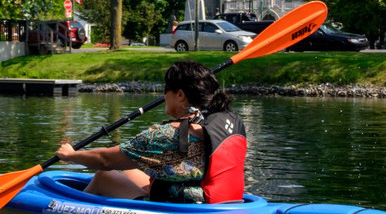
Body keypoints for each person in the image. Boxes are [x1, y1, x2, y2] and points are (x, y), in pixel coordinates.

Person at [55, 60, 246, 203]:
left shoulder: (166, 136)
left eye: (166, 90)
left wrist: (71, 155)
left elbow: (106, 160)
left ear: (180, 95)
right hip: (222, 200)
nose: (164, 96)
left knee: (103, 176)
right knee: (129, 170)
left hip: (185, 209)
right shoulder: (225, 121)